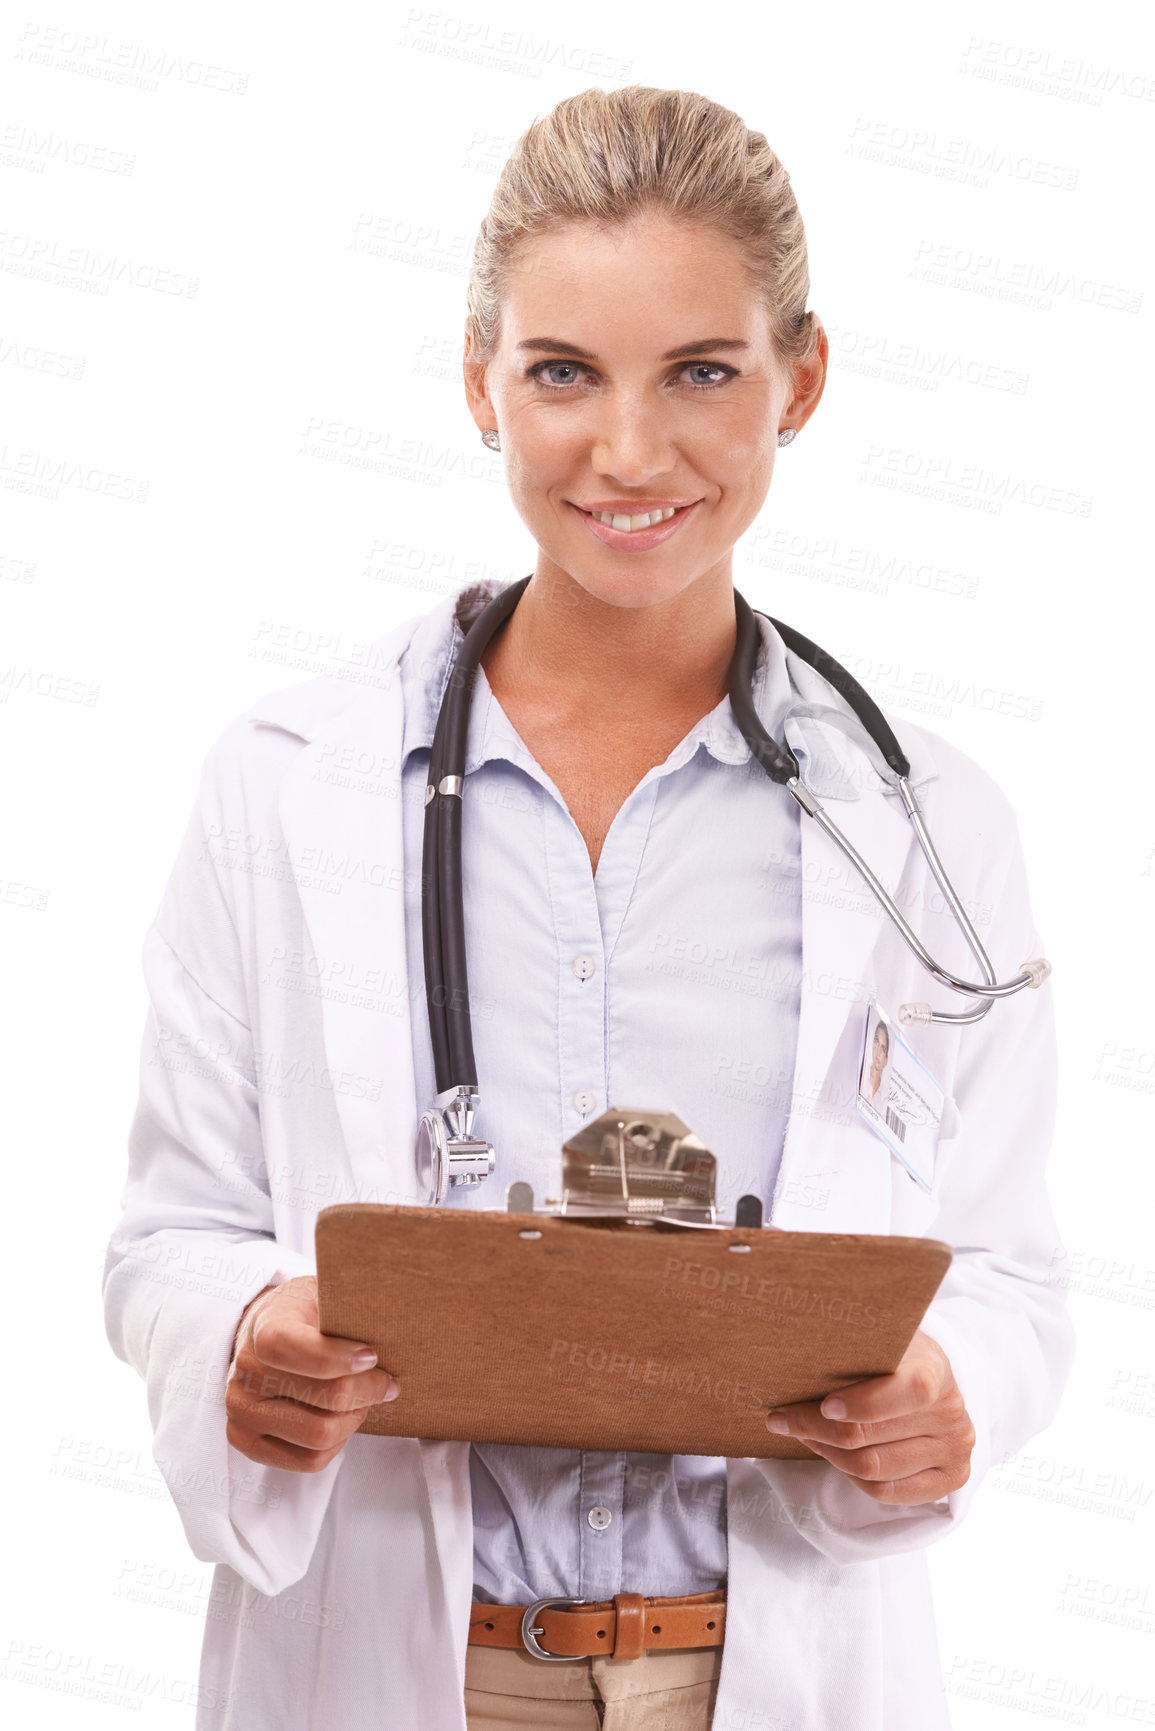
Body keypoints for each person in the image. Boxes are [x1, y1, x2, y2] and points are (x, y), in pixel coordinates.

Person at [103, 85, 1074, 1731]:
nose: (630, 452)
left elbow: (1011, 1278)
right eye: (563, 373)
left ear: (803, 381)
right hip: (401, 1671)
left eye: (704, 371)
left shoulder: (927, 833)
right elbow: (167, 1242)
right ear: (478, 377)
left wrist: (955, 1390)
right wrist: (245, 1330)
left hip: (760, 1673)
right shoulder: (285, 790)